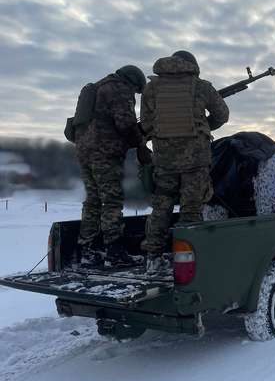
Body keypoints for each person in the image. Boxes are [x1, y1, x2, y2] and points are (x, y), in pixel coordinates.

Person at [140, 51, 229, 273]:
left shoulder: (151, 88)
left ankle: (153, 258)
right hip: (196, 159)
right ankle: (187, 261)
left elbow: (147, 123)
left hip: (164, 160)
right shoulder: (201, 86)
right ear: (193, 66)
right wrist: (204, 126)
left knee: (161, 206)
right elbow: (222, 115)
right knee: (191, 208)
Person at [76, 65, 146, 268]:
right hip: (105, 153)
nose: (134, 94)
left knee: (93, 202)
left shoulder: (97, 88)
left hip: (84, 152)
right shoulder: (119, 89)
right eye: (135, 90)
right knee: (112, 201)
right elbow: (125, 123)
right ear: (132, 82)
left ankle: (87, 251)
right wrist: (140, 143)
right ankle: (114, 253)